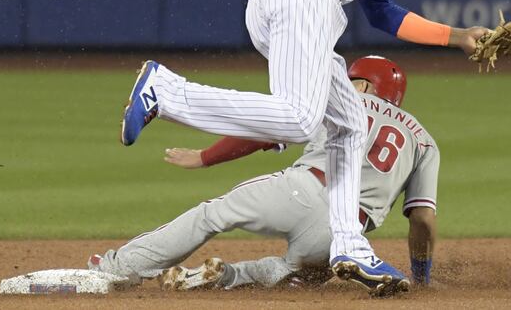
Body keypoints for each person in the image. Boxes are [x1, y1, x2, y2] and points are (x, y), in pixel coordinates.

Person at [119, 0, 485, 292]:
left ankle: (349, 246)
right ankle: (165, 92)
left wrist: (458, 37)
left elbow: (383, 13)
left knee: (349, 122)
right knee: (299, 120)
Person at [93, 56, 440, 296]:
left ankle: (120, 267)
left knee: (211, 215)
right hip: (343, 231)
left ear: (363, 84)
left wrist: (205, 157)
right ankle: (227, 276)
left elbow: (264, 129)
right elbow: (423, 219)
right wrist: (422, 278)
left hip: (301, 191)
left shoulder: (342, 100)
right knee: (296, 274)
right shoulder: (423, 140)